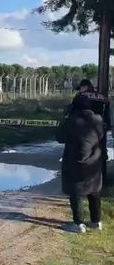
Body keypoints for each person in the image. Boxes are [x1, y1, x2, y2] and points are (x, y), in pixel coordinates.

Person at [56, 94, 104, 233]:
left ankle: (78, 224)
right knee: (94, 190)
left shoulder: (72, 120)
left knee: (76, 191)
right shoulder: (98, 119)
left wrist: (64, 118)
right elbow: (99, 136)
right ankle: (96, 222)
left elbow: (60, 137)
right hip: (94, 160)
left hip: (75, 161)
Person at [72, 79, 110, 185]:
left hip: (83, 127)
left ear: (85, 86)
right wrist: (107, 125)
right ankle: (102, 179)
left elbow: (72, 112)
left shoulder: (80, 96)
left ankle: (83, 179)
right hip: (100, 127)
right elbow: (107, 108)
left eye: (81, 87)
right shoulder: (101, 97)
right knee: (100, 151)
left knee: (81, 152)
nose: (80, 90)